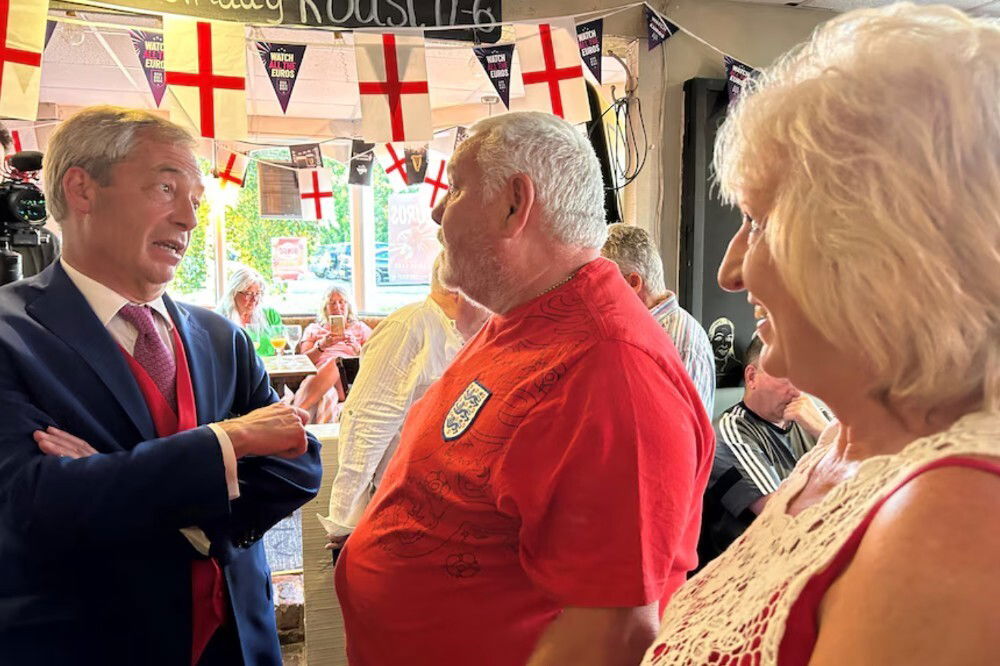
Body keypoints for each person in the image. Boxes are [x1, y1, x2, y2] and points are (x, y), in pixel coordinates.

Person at [642, 5, 1000, 664]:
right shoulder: (852, 436)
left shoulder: (957, 522)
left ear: (878, 242)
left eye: (755, 222)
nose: (728, 271)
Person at [335, 111, 714, 666]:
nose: (438, 209)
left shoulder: (610, 368)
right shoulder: (524, 318)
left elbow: (613, 638)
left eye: (457, 187)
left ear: (516, 203)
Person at [0, 106, 323, 665]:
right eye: (165, 188)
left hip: (239, 644)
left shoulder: (222, 337)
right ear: (82, 189)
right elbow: (33, 505)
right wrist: (230, 443)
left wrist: (116, 480)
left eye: (194, 200)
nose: (189, 221)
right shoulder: (11, 335)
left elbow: (299, 463)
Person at [318, 255, 489, 542]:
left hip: (454, 504)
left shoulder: (474, 336)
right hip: (403, 507)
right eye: (491, 290)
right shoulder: (408, 328)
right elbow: (365, 426)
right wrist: (345, 526)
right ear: (456, 288)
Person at [699, 335, 830, 566]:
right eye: (787, 377)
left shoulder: (815, 419)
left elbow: (873, 478)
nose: (798, 391)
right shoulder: (730, 432)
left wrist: (824, 431)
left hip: (806, 557)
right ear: (752, 377)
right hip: (751, 570)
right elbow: (783, 515)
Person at [602, 222, 715, 414]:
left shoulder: (682, 343)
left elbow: (684, 437)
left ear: (633, 283)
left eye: (603, 282)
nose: (596, 293)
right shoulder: (633, 331)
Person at [293, 285, 373, 422]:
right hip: (318, 378)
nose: (337, 306)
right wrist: (322, 346)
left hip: (348, 380)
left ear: (349, 306)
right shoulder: (314, 329)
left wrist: (358, 350)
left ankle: (294, 413)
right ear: (325, 308)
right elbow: (303, 362)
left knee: (335, 363)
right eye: (332, 303)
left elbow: (375, 360)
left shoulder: (361, 328)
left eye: (342, 302)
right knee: (327, 397)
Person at [215, 265, 283, 356]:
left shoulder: (271, 315)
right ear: (233, 293)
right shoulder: (219, 319)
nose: (254, 299)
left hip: (270, 369)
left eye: (258, 293)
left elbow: (279, 352)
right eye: (249, 293)